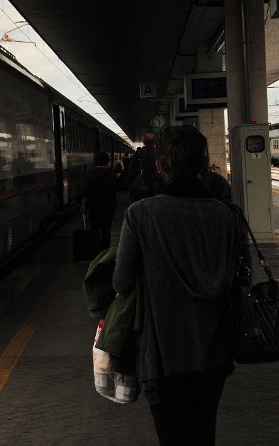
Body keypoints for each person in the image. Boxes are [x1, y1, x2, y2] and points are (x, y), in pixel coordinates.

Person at [113, 126, 238, 445]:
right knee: (203, 433)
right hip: (213, 351)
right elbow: (241, 276)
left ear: (160, 164)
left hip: (163, 354)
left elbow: (121, 281)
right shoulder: (224, 215)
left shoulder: (140, 214)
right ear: (203, 162)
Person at [81, 151, 118, 253]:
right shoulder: (111, 173)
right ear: (107, 161)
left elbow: (85, 189)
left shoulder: (90, 173)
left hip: (94, 205)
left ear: (95, 161)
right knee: (107, 228)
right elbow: (115, 187)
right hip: (109, 205)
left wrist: (84, 202)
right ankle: (105, 251)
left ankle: (96, 250)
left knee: (95, 227)